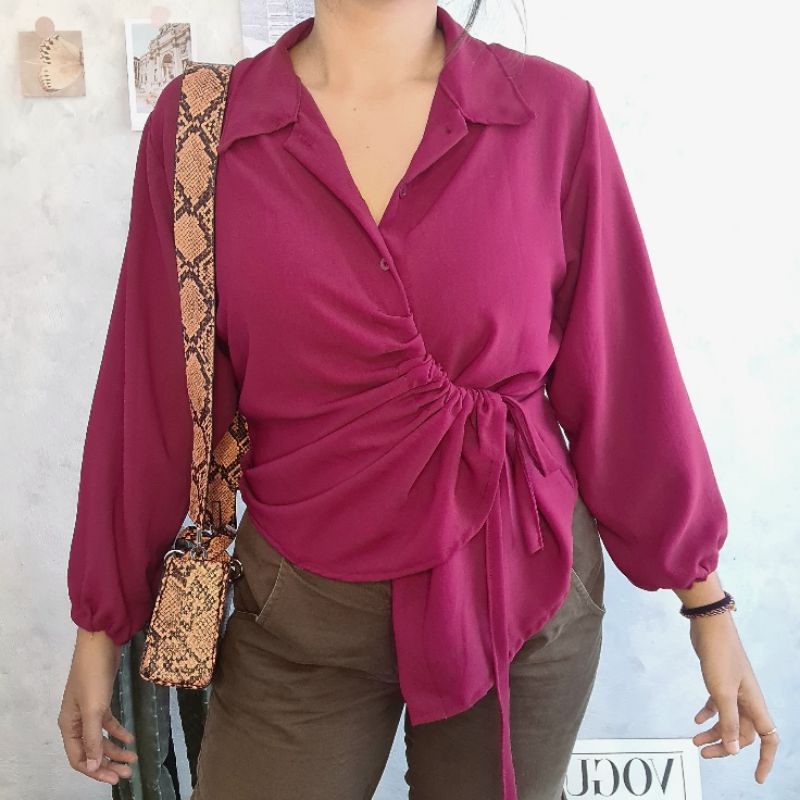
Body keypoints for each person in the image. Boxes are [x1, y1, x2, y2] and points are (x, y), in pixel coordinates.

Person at [58, 3, 779, 798]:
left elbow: (625, 371)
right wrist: (100, 625)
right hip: (303, 600)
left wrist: (706, 603)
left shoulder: (549, 113)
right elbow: (150, 389)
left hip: (517, 582)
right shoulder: (204, 130)